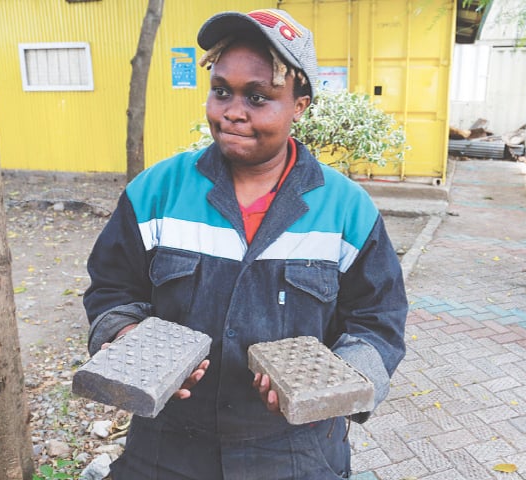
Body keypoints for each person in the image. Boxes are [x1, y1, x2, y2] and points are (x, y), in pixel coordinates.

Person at [83, 8, 407, 480]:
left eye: (258, 96)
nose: (233, 111)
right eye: (221, 91)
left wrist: (338, 383)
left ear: (300, 105)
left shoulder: (346, 210)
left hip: (298, 449)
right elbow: (110, 287)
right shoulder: (156, 192)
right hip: (165, 444)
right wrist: (126, 338)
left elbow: (379, 320)